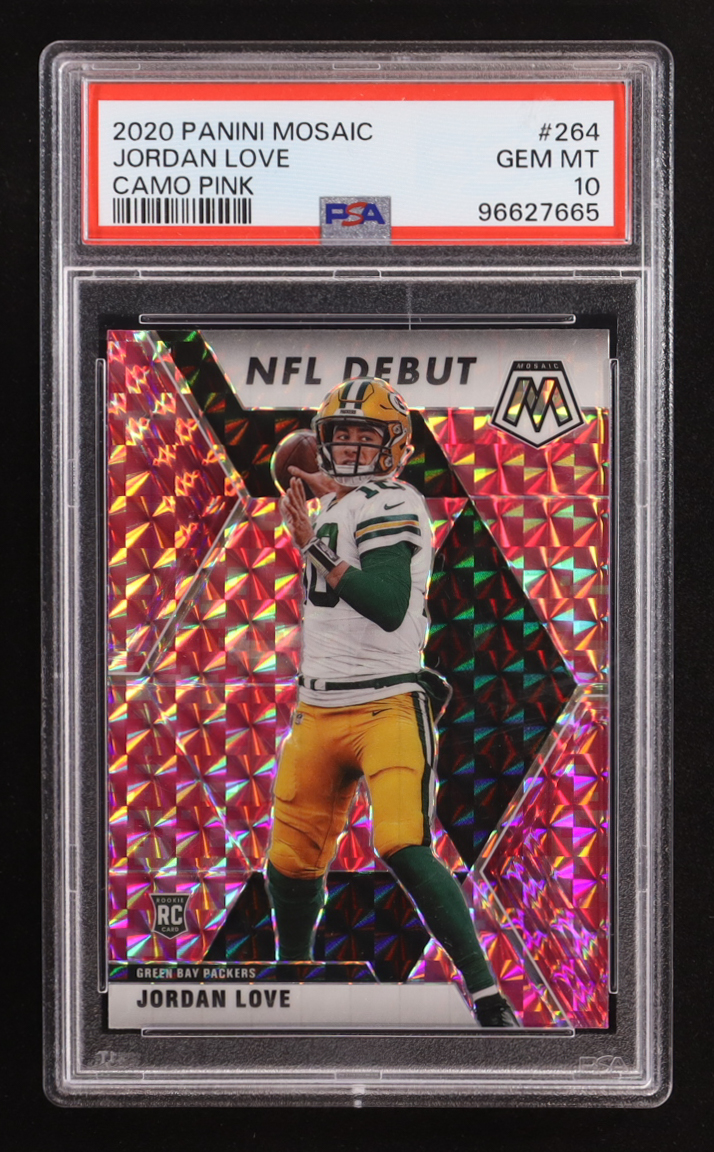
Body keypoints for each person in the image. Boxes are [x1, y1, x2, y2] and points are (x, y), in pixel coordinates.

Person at [266, 376, 518, 1027]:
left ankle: (489, 997)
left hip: (385, 705)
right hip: (318, 709)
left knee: (403, 842)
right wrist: (323, 495)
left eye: (365, 435)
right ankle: (292, 987)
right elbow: (348, 503)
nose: (351, 446)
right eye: (341, 434)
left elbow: (385, 604)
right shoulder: (345, 500)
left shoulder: (396, 501)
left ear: (396, 447)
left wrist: (312, 542)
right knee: (289, 863)